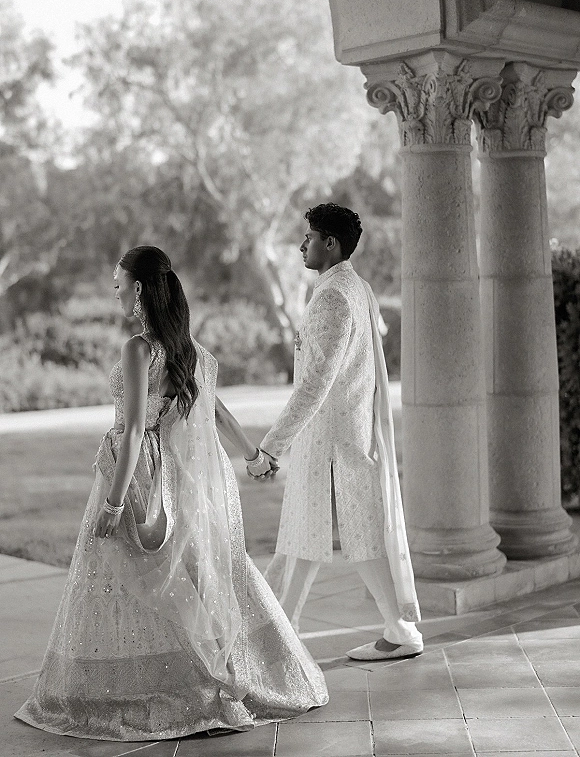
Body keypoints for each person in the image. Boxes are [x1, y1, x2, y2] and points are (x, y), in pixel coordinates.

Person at [15, 246, 327, 742]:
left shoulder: (139, 349)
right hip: (180, 482)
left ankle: (192, 684)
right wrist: (250, 454)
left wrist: (115, 503)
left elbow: (136, 428)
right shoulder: (190, 351)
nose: (115, 291)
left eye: (118, 282)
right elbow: (218, 411)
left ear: (139, 289)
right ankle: (224, 673)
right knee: (193, 578)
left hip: (137, 478)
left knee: (146, 583)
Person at [257, 204, 423, 662]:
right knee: (310, 538)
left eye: (309, 238)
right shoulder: (354, 287)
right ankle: (393, 629)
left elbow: (316, 382)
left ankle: (278, 641)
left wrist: (271, 445)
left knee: (328, 536)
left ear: (330, 243)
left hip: (333, 439)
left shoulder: (334, 297)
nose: (301, 245)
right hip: (344, 433)